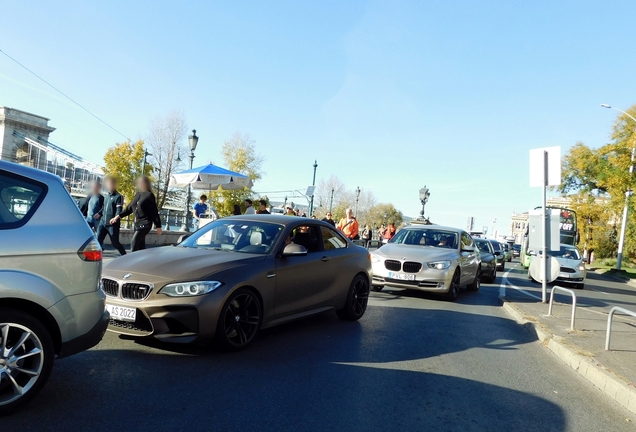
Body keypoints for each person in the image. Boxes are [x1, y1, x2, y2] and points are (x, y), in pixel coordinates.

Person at [110, 176, 162, 252]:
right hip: (137, 224)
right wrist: (117, 217)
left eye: (141, 182)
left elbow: (153, 211)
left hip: (145, 223)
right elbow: (129, 208)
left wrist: (158, 226)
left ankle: (131, 262)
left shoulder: (149, 195)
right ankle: (145, 262)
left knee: (134, 243)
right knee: (141, 247)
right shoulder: (138, 194)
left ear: (146, 183)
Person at [96, 176, 126, 256]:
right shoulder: (106, 196)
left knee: (115, 243)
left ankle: (125, 256)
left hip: (112, 225)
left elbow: (119, 209)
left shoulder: (118, 197)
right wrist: (99, 213)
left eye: (111, 184)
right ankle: (96, 258)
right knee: (97, 241)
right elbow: (104, 208)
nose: (110, 186)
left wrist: (115, 218)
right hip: (103, 223)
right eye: (108, 184)